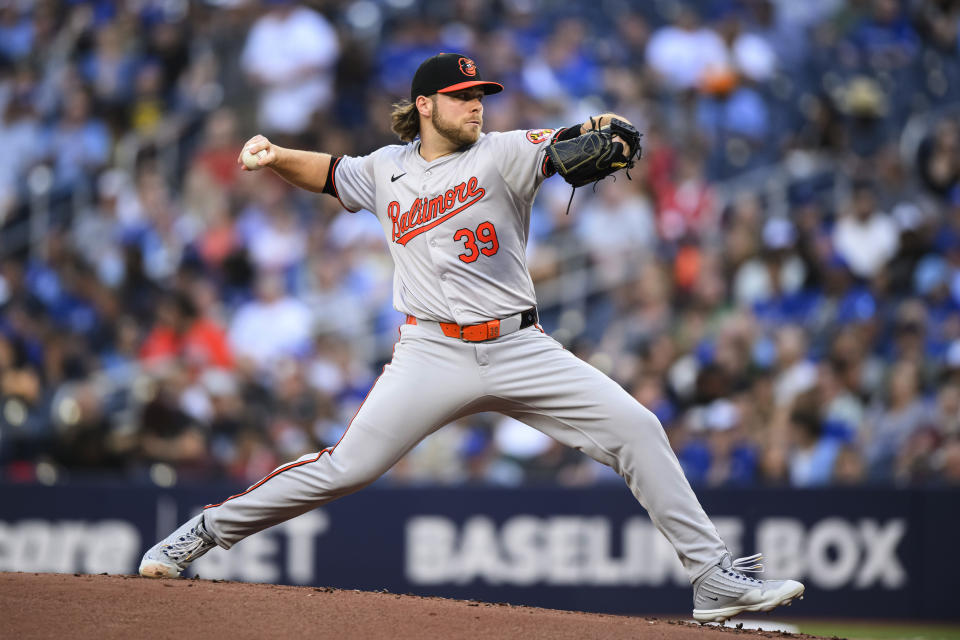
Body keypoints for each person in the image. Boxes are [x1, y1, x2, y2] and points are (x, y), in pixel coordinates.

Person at [139, 52, 804, 624]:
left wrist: (599, 129)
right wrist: (278, 155)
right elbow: (332, 172)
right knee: (346, 468)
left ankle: (712, 576)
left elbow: (565, 142)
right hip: (432, 352)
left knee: (637, 428)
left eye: (481, 95)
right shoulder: (385, 169)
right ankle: (200, 533)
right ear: (424, 104)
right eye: (462, 97)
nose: (477, 105)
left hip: (519, 345)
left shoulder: (506, 151)